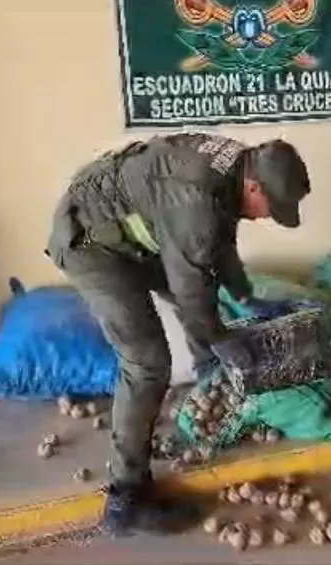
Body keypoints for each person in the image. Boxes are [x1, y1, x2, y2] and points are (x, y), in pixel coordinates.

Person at [46, 133, 310, 536]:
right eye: (270, 207)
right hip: (91, 243)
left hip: (134, 229)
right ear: (253, 186)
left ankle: (210, 395)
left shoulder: (234, 167)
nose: (266, 216)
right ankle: (125, 498)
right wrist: (220, 339)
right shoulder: (196, 204)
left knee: (209, 307)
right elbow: (191, 288)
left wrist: (245, 297)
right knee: (147, 363)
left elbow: (220, 246)